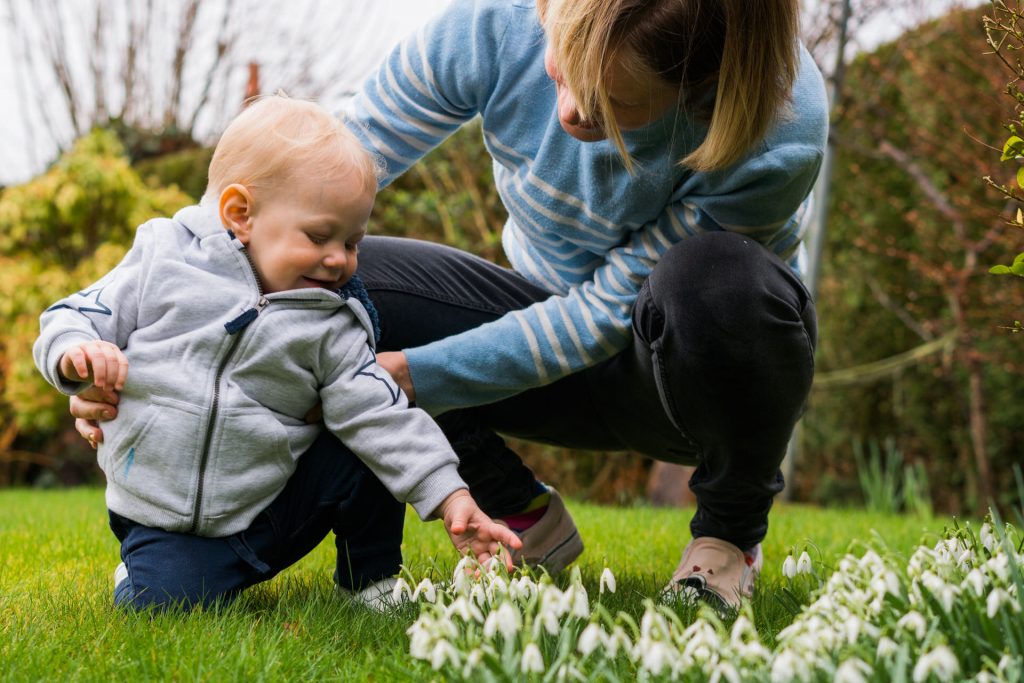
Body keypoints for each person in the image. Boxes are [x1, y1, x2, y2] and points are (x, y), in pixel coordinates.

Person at [73, 0, 828, 609]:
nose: (567, 113)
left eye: (608, 102)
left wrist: (403, 379)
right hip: (542, 339)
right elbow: (318, 169)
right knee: (328, 271)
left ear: (696, 89)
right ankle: (517, 510)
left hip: (686, 377)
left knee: (720, 281)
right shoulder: (496, 23)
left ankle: (727, 537)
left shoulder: (775, 123)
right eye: (561, 72)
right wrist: (158, 338)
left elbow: (603, 316)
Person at [34, 95, 520, 611]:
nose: (340, 261)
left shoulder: (331, 320)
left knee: (364, 440)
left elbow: (385, 416)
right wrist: (77, 353)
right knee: (158, 604)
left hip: (273, 508)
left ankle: (370, 578)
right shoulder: (163, 257)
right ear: (240, 213)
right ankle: (145, 569)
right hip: (166, 512)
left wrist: (453, 497)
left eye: (353, 242)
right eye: (319, 236)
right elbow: (74, 313)